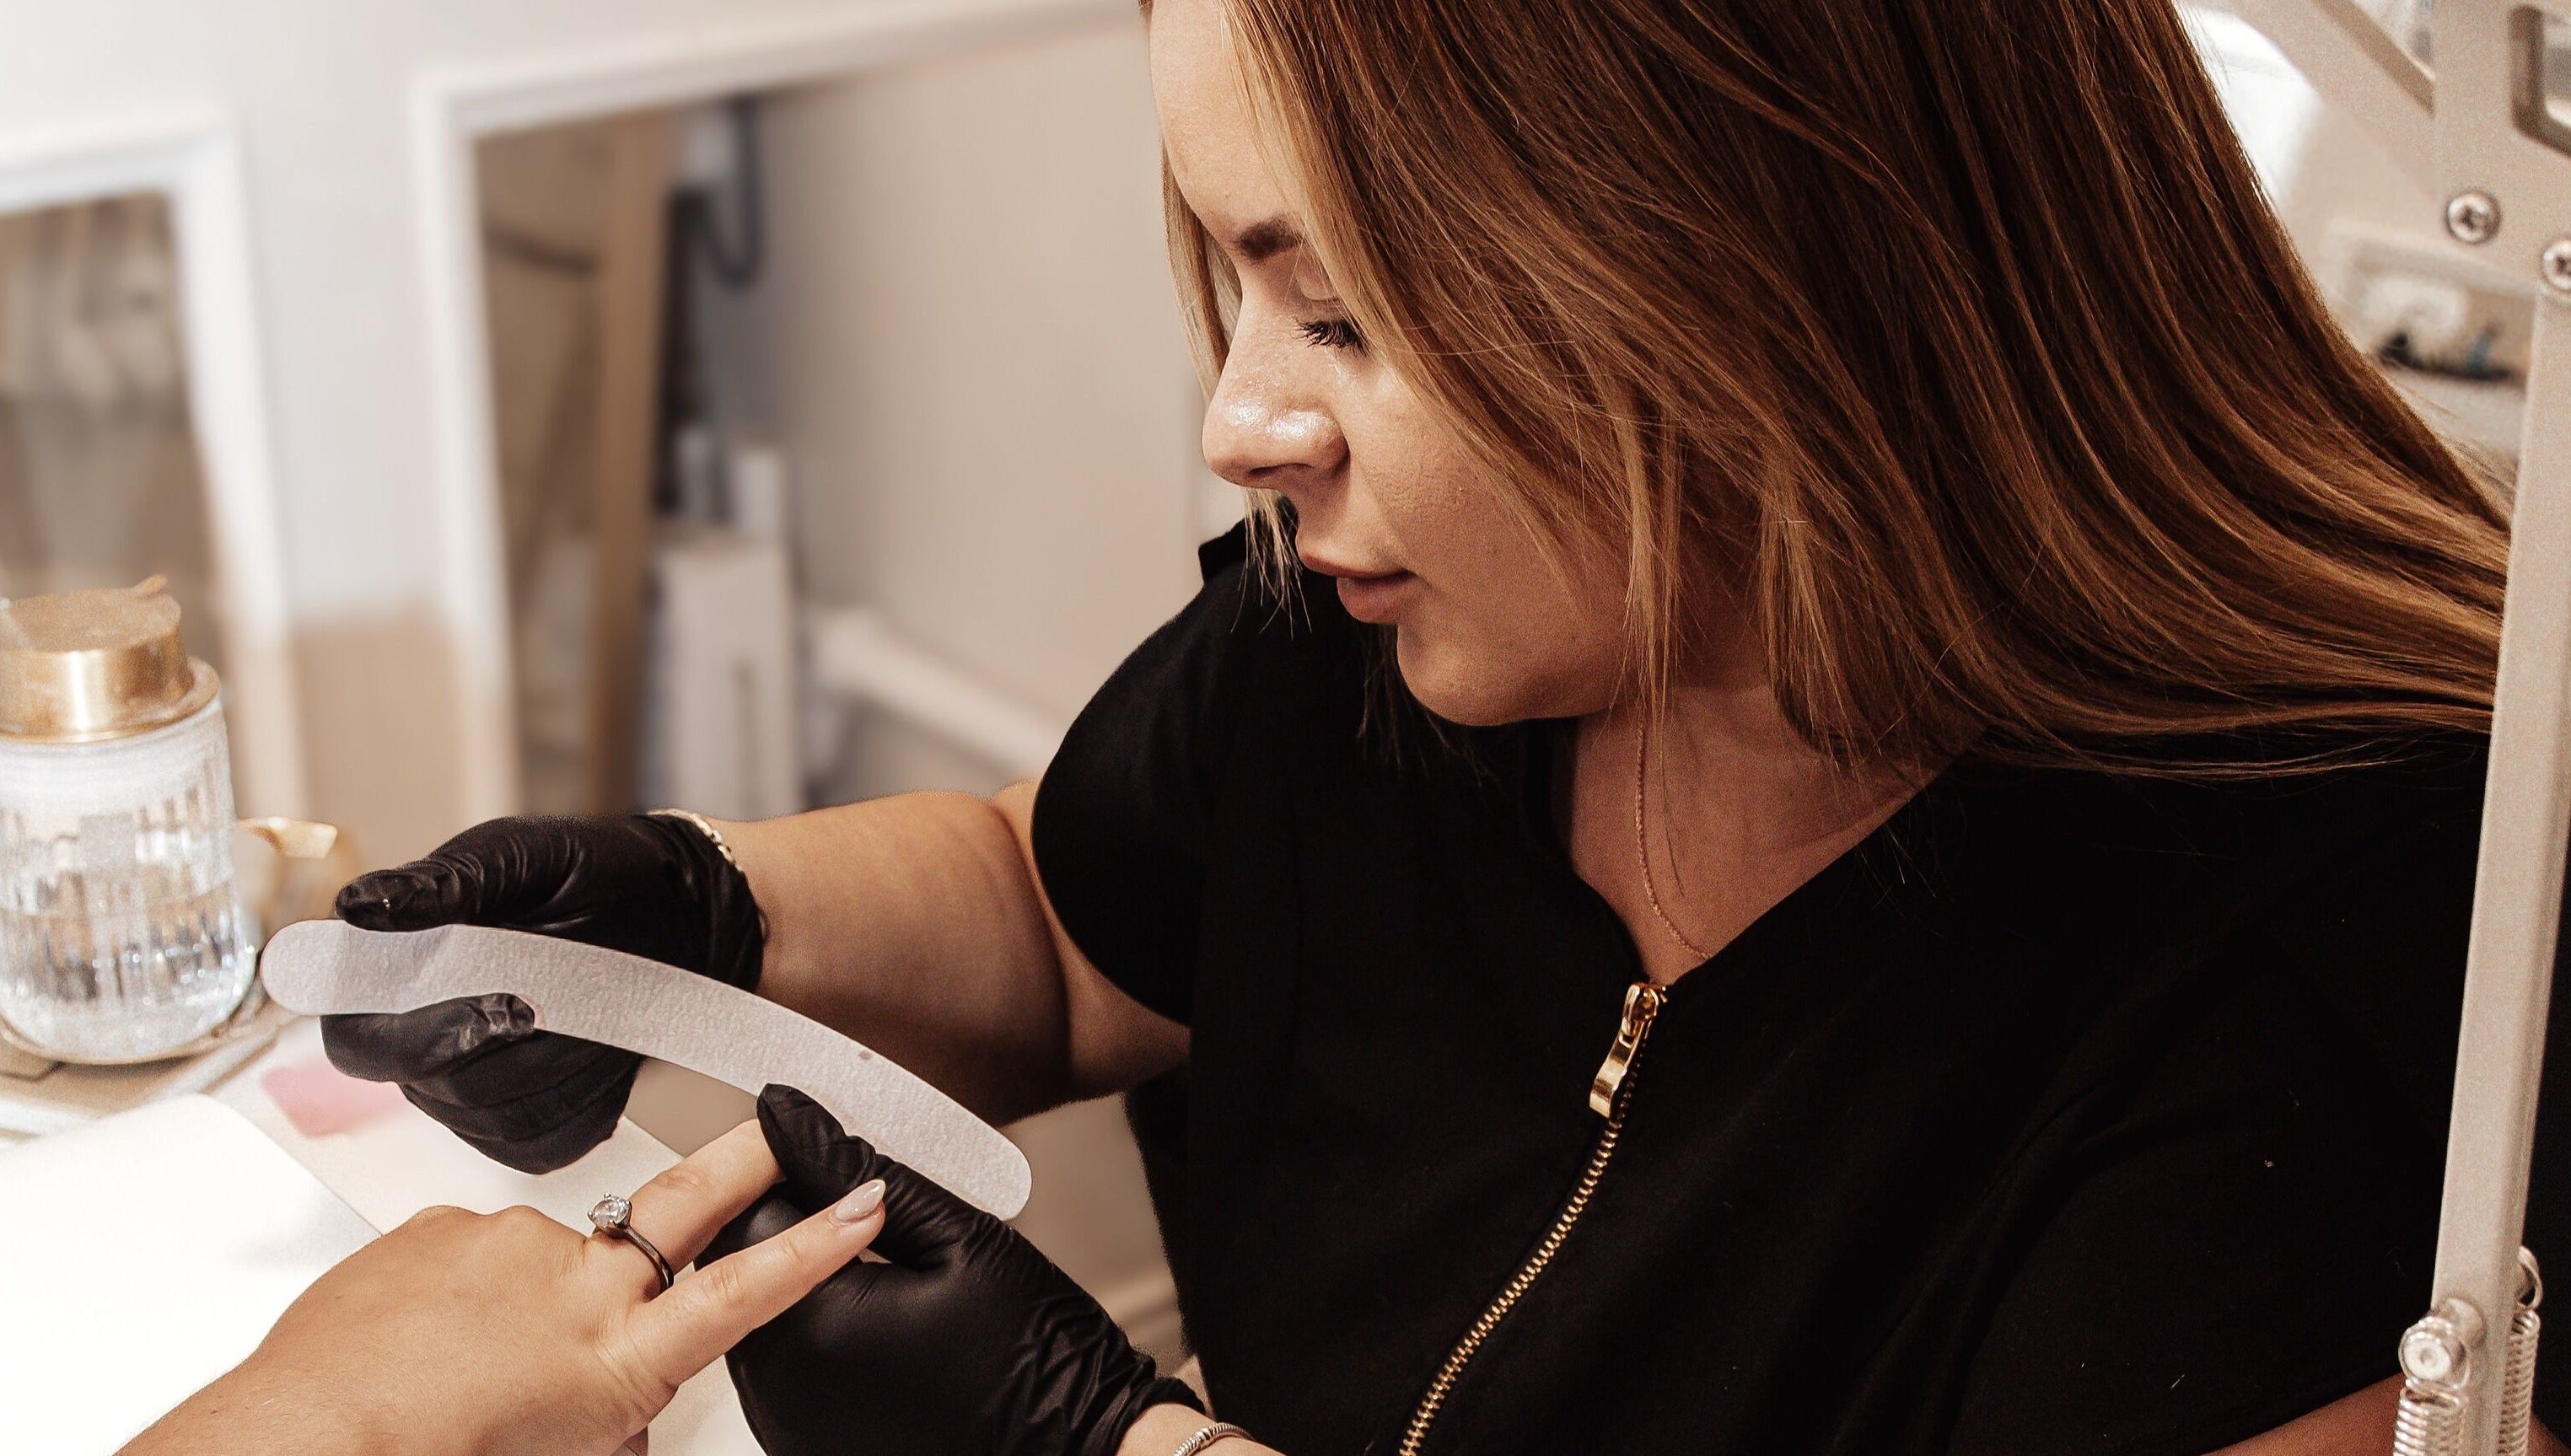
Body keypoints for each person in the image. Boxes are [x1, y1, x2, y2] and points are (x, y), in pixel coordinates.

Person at [153, 0, 2571, 1452]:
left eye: (1345, 319)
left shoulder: (2328, 987)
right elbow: (1064, 917)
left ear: (1751, 285)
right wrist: (704, 915)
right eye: (1234, 284)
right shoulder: (1392, 642)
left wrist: (1106, 1448)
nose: (1237, 423)